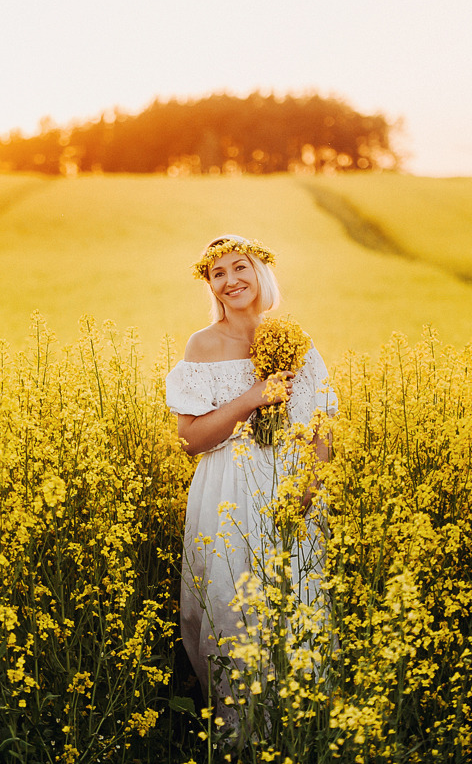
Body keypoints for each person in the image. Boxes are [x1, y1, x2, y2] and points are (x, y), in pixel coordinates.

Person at [164, 234, 336, 721]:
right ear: (211, 286)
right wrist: (250, 399)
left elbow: (321, 431)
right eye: (218, 273)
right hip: (226, 490)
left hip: (289, 489)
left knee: (295, 601)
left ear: (260, 272)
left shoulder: (295, 341)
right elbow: (190, 440)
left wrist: (303, 494)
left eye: (240, 267)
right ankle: (239, 730)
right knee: (228, 604)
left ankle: (300, 728)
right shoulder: (203, 344)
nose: (230, 280)